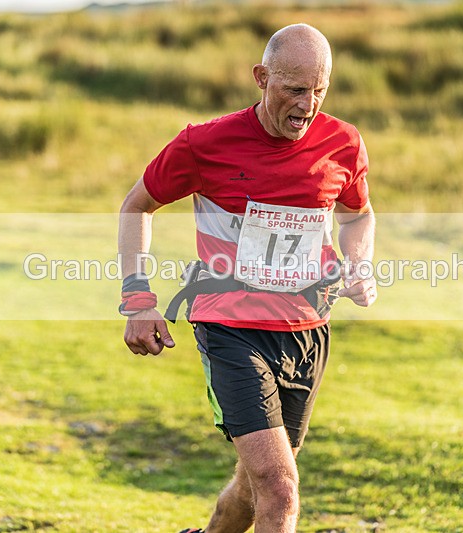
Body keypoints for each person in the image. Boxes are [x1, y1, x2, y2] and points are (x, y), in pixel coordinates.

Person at [117, 23, 376, 533]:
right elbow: (137, 206)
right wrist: (138, 298)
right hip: (230, 330)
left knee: (254, 485)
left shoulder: (343, 143)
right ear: (261, 77)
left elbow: (358, 215)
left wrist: (359, 263)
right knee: (280, 489)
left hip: (306, 333)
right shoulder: (205, 143)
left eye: (319, 91)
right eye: (295, 90)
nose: (307, 106)